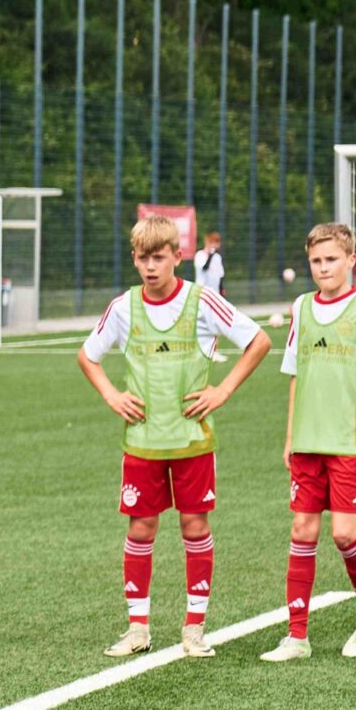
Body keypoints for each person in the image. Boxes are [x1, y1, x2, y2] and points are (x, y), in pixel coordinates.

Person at [76, 216, 269, 657]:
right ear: (134, 259)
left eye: (158, 257)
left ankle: (194, 628)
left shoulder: (203, 302)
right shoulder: (124, 307)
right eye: (142, 258)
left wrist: (222, 390)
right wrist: (111, 394)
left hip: (191, 442)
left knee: (194, 525)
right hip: (142, 442)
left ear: (176, 257)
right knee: (141, 528)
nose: (150, 266)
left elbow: (258, 340)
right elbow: (88, 356)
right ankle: (138, 629)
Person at [260, 223, 356, 663]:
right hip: (308, 440)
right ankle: (296, 636)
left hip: (350, 441)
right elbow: (296, 375)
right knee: (302, 530)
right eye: (317, 261)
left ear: (351, 260)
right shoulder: (301, 307)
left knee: (343, 533)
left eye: (332, 259)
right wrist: (289, 435)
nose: (324, 268)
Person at [190, 230, 230, 361]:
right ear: (207, 242)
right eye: (212, 242)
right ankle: (197, 350)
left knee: (215, 322)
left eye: (217, 243)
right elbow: (204, 268)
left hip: (215, 295)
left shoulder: (217, 258)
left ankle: (214, 351)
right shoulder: (200, 255)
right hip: (202, 294)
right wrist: (211, 255)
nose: (215, 245)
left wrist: (221, 289)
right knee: (200, 324)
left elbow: (220, 276)